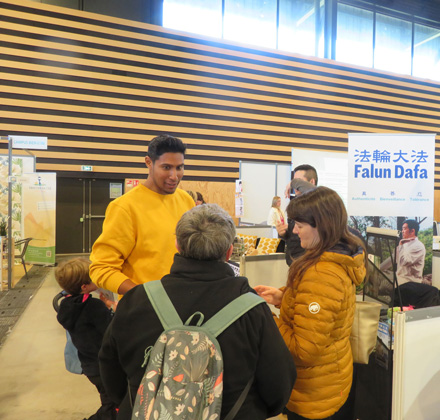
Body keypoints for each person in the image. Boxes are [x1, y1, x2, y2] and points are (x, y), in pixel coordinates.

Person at [99, 204, 296, 420]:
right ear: (229, 251)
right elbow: (279, 383)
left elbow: (110, 371)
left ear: (177, 245)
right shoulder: (252, 309)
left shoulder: (136, 300)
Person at [255, 186, 366, 420]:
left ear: (322, 226)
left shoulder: (322, 274)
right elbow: (321, 312)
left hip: (314, 394)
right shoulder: (332, 260)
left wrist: (266, 320)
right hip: (326, 382)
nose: (294, 231)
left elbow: (303, 350)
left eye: (300, 226)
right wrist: (284, 297)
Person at [89, 134, 196, 295]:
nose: (174, 176)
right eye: (166, 167)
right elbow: (101, 269)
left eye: (179, 167)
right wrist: (145, 296)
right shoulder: (125, 207)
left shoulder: (186, 200)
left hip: (184, 302)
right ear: (148, 162)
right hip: (144, 310)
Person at [55, 258, 117, 420]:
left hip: (89, 366)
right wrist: (113, 309)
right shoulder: (94, 307)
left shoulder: (67, 306)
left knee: (109, 401)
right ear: (84, 286)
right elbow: (111, 331)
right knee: (113, 405)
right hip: (104, 365)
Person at [277, 164, 319, 265]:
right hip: (293, 262)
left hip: (309, 262)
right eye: (293, 180)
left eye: (298, 181)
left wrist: (293, 183)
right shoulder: (295, 203)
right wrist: (284, 233)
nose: (293, 185)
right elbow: (294, 234)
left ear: (311, 182)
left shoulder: (318, 204)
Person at [380, 219, 426, 285]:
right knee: (378, 274)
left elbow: (403, 262)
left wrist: (401, 245)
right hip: (399, 278)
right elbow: (392, 259)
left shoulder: (418, 246)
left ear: (412, 231)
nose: (402, 231)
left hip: (409, 282)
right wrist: (378, 269)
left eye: (404, 229)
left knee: (381, 283)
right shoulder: (405, 244)